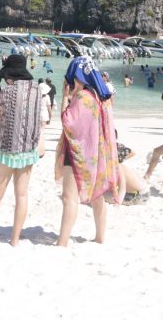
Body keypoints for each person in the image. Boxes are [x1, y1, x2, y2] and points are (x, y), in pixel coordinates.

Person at [55, 56, 121, 247]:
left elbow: (68, 122)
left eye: (71, 78)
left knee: (69, 198)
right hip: (97, 154)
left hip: (78, 154)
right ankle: (100, 237)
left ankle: (62, 242)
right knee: (97, 195)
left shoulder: (84, 97)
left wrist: (65, 97)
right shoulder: (101, 97)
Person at [0, 54, 42, 246]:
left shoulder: (7, 92)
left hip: (8, 149)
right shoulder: (37, 90)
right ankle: (14, 239)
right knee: (22, 195)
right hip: (29, 149)